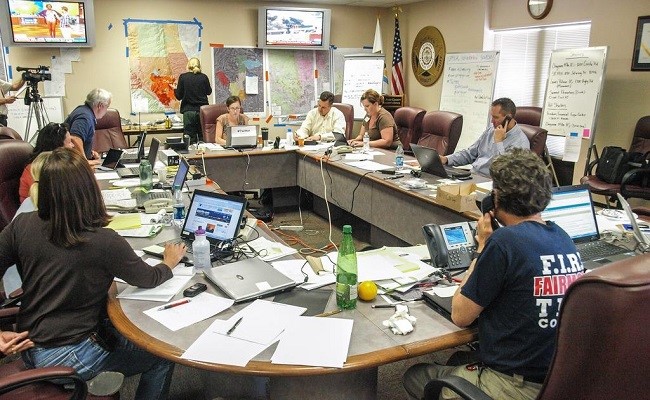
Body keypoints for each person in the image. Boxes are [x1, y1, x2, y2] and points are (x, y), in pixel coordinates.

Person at [0, 148, 187, 398]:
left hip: (30, 345)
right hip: (68, 357)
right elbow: (148, 278)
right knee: (162, 353)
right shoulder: (103, 240)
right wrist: (169, 262)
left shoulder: (22, 225)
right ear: (89, 189)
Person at [403, 148, 585, 400]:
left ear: (496, 198)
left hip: (517, 386)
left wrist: (482, 247)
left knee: (417, 375)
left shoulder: (503, 242)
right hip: (557, 379)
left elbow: (460, 315)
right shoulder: (562, 237)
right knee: (459, 358)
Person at [440, 97, 529, 177]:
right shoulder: (491, 129)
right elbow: (470, 153)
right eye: (491, 117)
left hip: (492, 183)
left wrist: (499, 142)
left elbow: (505, 172)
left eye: (495, 117)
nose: (492, 121)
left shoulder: (521, 142)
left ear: (508, 117)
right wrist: (446, 159)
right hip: (473, 175)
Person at [18, 122, 75, 202]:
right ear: (57, 147)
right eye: (69, 142)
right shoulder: (35, 170)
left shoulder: (61, 165)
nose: (73, 145)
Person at [64, 88, 112, 164]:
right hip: (71, 164)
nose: (106, 110)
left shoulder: (83, 110)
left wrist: (89, 152)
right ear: (100, 105)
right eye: (107, 107)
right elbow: (74, 138)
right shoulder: (85, 117)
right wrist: (84, 162)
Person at [174, 57, 212, 143]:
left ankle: (190, 155)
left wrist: (175, 89)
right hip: (202, 111)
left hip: (188, 111)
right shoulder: (203, 77)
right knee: (203, 136)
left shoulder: (183, 77)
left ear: (188, 65)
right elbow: (209, 92)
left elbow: (179, 96)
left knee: (189, 138)